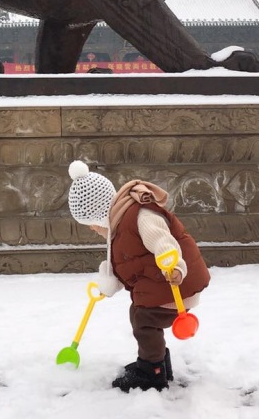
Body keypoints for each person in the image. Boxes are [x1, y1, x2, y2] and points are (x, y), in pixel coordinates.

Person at [67, 160, 210, 392]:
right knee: (140, 316)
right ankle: (158, 363)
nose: (92, 229)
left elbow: (163, 241)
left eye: (91, 224)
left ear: (98, 211)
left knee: (144, 321)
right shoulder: (120, 226)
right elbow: (126, 263)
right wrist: (108, 285)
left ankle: (152, 372)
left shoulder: (140, 214)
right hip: (159, 285)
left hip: (175, 283)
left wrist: (175, 267)